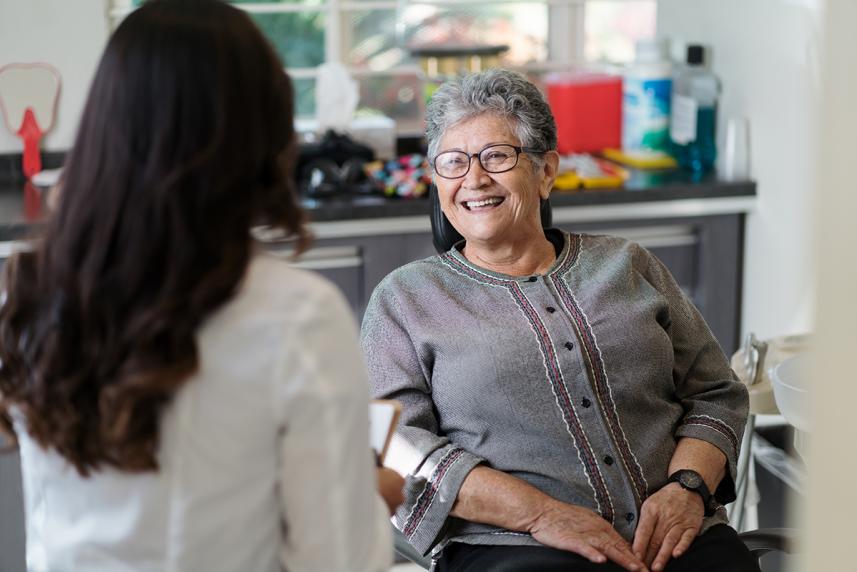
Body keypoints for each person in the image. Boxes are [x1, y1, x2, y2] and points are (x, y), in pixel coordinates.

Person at [0, 1, 401, 570]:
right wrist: (370, 498)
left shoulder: (33, 293)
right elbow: (336, 561)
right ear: (264, 133)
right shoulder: (296, 315)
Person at [361, 69, 758, 572]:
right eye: (453, 163)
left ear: (546, 171)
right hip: (513, 549)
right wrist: (540, 515)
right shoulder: (405, 300)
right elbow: (399, 446)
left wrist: (688, 489)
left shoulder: (628, 264)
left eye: (497, 156)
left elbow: (717, 393)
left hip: (677, 533)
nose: (475, 179)